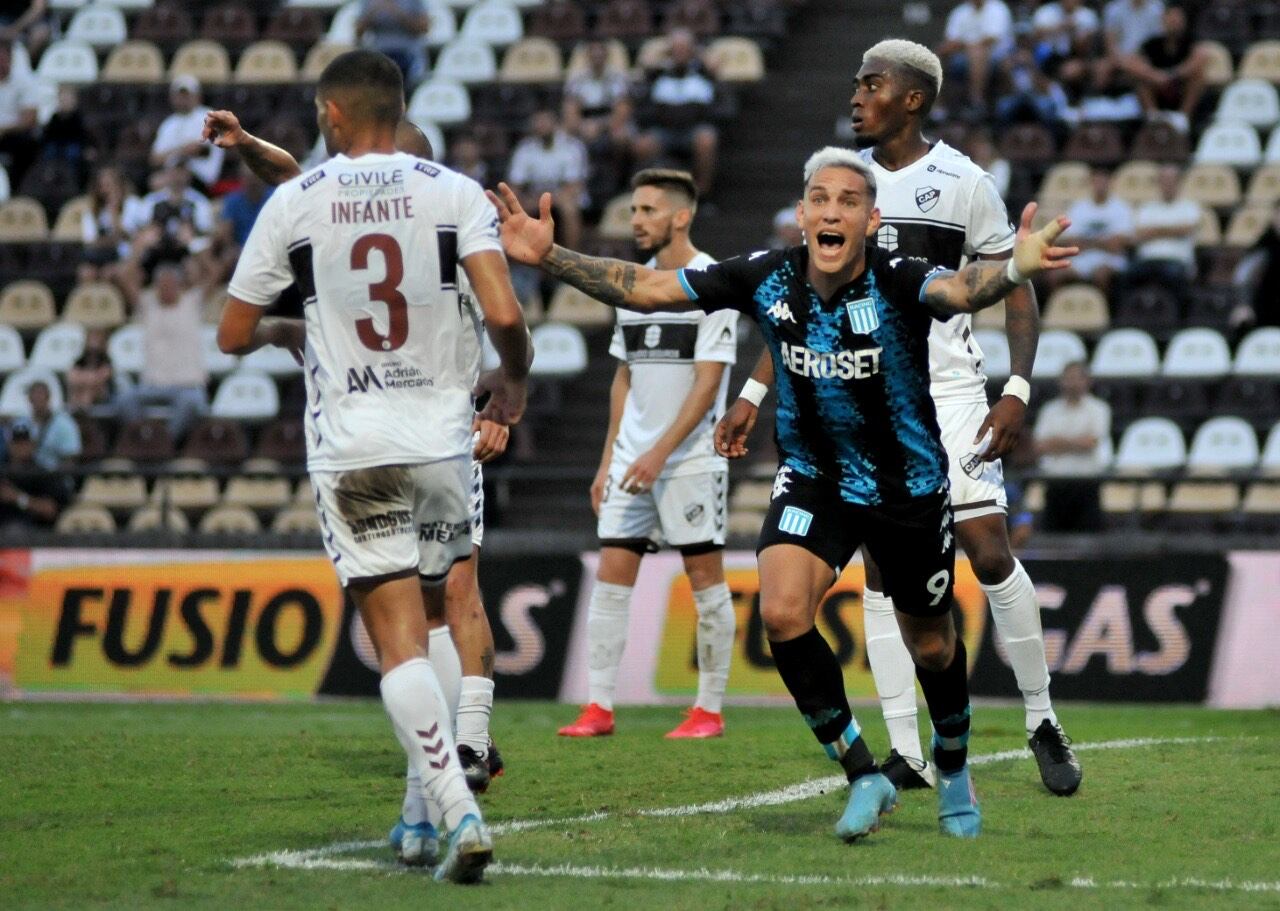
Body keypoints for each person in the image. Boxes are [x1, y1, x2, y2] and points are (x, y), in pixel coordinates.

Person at [487, 147, 1078, 841]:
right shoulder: (766, 277)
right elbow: (645, 287)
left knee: (934, 645)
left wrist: (1013, 268)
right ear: (801, 215)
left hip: (906, 485)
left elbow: (960, 290)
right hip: (815, 478)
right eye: (819, 199)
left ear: (871, 219)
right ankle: (862, 771)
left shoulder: (898, 278)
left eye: (848, 201)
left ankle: (952, 765)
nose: (832, 211)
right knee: (784, 609)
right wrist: (550, 255)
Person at [716, 40, 1083, 797]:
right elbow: (799, 305)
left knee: (986, 547)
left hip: (947, 394)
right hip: (861, 403)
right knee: (882, 570)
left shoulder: (963, 182)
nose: (856, 94)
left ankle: (1042, 716)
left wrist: (1016, 385)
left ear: (913, 98)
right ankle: (908, 751)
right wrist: (754, 395)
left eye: (872, 83)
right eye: (854, 82)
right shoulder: (836, 184)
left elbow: (1013, 283)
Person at [214, 50, 529, 883]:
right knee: (446, 607)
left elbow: (233, 333)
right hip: (443, 438)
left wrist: (308, 319)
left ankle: (451, 811)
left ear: (331, 113)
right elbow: (505, 314)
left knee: (399, 642)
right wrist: (515, 386)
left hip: (354, 445)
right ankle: (439, 790)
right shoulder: (454, 195)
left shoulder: (301, 203)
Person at [559, 168, 737, 740]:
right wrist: (609, 457)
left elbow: (708, 383)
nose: (634, 221)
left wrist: (659, 454)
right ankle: (599, 707)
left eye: (647, 211)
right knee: (612, 580)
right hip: (633, 461)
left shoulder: (711, 281)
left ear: (680, 217)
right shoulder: (630, 285)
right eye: (633, 210)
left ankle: (708, 709)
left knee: (706, 581)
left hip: (688, 461)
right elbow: (623, 376)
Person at [116, 263, 209, 441]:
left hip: (187, 386)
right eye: (162, 285)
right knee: (124, 400)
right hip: (152, 386)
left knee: (191, 403)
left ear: (179, 286)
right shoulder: (147, 305)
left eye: (170, 284)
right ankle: (143, 438)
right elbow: (122, 275)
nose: (166, 289)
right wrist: (141, 245)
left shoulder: (193, 302)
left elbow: (215, 274)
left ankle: (165, 443)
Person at [632, 29, 720, 197]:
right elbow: (642, 92)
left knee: (707, 139)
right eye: (676, 48)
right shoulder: (657, 74)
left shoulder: (703, 72)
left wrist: (700, 55)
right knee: (642, 145)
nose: (680, 52)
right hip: (663, 129)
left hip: (694, 129)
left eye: (685, 48)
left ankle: (702, 191)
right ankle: (653, 190)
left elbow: (718, 94)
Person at [1033, 360, 1111, 531]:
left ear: (1087, 381)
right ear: (1060, 381)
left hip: (1086, 485)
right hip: (1055, 486)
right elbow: (1040, 446)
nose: (1072, 383)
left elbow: (1091, 443)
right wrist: (1076, 442)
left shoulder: (1099, 409)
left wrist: (1057, 442)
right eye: (1068, 378)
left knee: (1088, 541)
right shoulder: (1049, 410)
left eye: (1077, 378)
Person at [507, 109, 588, 252]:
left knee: (569, 208)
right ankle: (522, 261)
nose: (541, 125)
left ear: (555, 124)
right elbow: (515, 186)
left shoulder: (571, 147)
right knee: (512, 206)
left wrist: (545, 201)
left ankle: (572, 259)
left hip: (564, 198)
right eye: (538, 122)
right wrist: (524, 200)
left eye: (545, 121)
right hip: (534, 198)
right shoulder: (525, 149)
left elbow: (573, 188)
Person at [1119, 5, 1208, 130]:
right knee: (1139, 80)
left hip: (1180, 85)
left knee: (1199, 77)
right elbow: (1130, 63)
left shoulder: (1191, 42)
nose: (1174, 22)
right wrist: (1155, 76)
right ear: (1163, 20)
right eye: (1171, 18)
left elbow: (1201, 58)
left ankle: (1183, 118)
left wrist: (1172, 75)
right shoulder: (1152, 43)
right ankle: (1153, 117)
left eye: (1177, 19)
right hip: (1157, 86)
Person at [1125, 162, 1199, 299]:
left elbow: (1185, 230)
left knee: (1173, 276)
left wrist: (1154, 231)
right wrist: (1170, 230)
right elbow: (1138, 235)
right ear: (1158, 183)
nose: (1168, 185)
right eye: (1164, 180)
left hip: (1176, 261)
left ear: (1179, 182)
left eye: (1171, 180)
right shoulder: (1146, 208)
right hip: (1147, 260)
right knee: (1124, 277)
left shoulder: (1189, 207)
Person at [1057, 166, 1133, 297]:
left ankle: (1103, 312)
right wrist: (1103, 242)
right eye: (1097, 181)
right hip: (1081, 260)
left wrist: (1087, 243)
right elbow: (1073, 243)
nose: (1100, 185)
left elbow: (1117, 244)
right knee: (1055, 275)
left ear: (1110, 182)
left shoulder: (1121, 208)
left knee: (1101, 275)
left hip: (1110, 260)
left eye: (1103, 181)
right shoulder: (1078, 208)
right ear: (1091, 182)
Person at [937, 0, 1015, 116]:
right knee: (939, 52)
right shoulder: (960, 12)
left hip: (999, 55)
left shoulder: (998, 8)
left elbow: (991, 39)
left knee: (978, 52)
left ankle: (976, 100)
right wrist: (966, 46)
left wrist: (966, 45)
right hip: (964, 54)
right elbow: (950, 41)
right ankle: (937, 105)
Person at [150, 76, 224, 190]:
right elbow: (155, 158)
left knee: (161, 181)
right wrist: (183, 150)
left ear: (197, 96)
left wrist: (171, 153)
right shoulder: (169, 123)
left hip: (202, 177)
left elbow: (198, 149)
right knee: (154, 181)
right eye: (179, 95)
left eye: (186, 95)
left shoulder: (208, 116)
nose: (182, 99)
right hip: (172, 174)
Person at [0, 419, 69, 534]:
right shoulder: (2, 470)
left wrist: (18, 498)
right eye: (16, 442)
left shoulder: (43, 474)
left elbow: (50, 510)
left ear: (33, 444)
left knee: (14, 530)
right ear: (9, 444)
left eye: (25, 442)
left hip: (32, 533)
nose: (21, 447)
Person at [356, 0, 430, 87]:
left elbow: (424, 28)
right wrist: (373, 12)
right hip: (380, 52)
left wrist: (398, 13)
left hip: (408, 52)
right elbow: (358, 33)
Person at [0, 42, 39, 188]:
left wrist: (4, 130)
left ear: (10, 58)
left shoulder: (24, 81)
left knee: (25, 143)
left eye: (2, 58)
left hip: (14, 134)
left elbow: (30, 118)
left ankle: (19, 188)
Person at [25, 379, 81, 469]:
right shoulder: (23, 423)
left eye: (40, 395)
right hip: (28, 474)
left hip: (55, 476)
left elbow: (71, 457)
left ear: (48, 397)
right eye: (34, 396)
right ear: (29, 399)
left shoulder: (64, 424)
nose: (37, 399)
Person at [68, 327, 114, 413]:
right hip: (80, 394)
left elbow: (100, 379)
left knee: (88, 393)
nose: (93, 350)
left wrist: (83, 378)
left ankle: (83, 415)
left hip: (102, 397)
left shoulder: (107, 363)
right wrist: (90, 379)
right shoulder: (79, 362)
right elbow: (72, 378)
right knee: (78, 392)